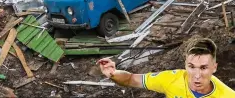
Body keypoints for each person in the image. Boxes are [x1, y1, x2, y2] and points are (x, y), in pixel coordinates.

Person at [98, 38, 235, 97]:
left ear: (214, 67)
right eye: (191, 67)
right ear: (185, 64)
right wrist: (113, 73)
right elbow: (130, 79)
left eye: (204, 68)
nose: (196, 75)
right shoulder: (171, 79)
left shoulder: (228, 96)